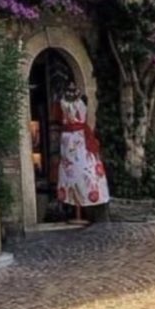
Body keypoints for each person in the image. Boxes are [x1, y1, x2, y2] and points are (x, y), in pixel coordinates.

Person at [56, 81, 109, 222]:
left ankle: (89, 198)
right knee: (71, 170)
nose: (71, 92)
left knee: (85, 168)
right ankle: (74, 200)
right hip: (70, 139)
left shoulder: (79, 101)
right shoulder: (63, 102)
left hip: (79, 137)